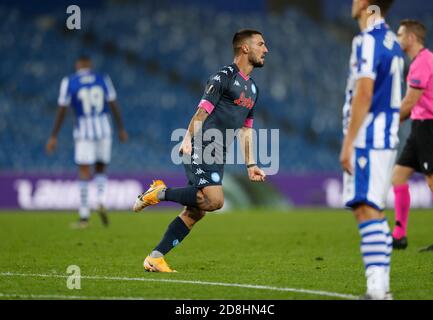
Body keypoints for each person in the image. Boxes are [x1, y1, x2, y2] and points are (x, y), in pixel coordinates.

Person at [133, 29, 268, 273]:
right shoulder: (223, 77)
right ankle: (160, 192)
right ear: (245, 48)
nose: (265, 49)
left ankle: (155, 257)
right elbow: (202, 111)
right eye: (261, 44)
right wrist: (187, 138)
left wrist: (251, 164)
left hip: (219, 153)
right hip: (202, 144)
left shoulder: (254, 90)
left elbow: (246, 131)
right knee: (215, 201)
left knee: (196, 212)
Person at [340, 0, 403, 299]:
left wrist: (349, 141)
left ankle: (377, 290)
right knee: (371, 209)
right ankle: (381, 288)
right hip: (386, 136)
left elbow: (364, 92)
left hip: (369, 137)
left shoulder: (366, 41)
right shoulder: (392, 41)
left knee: (366, 209)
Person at [46, 55, 128, 228]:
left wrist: (54, 135)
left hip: (84, 132)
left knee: (84, 171)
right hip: (104, 130)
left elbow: (62, 109)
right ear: (89, 64)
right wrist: (121, 128)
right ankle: (101, 200)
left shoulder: (69, 81)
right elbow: (113, 104)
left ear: (77, 65)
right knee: (101, 167)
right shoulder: (102, 79)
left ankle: (84, 216)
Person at [391, 20, 433, 251]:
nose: (398, 38)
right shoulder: (422, 61)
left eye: (400, 34)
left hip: (429, 127)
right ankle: (399, 235)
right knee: (398, 177)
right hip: (420, 126)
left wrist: (390, 121)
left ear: (411, 38)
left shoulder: (423, 63)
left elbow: (410, 101)